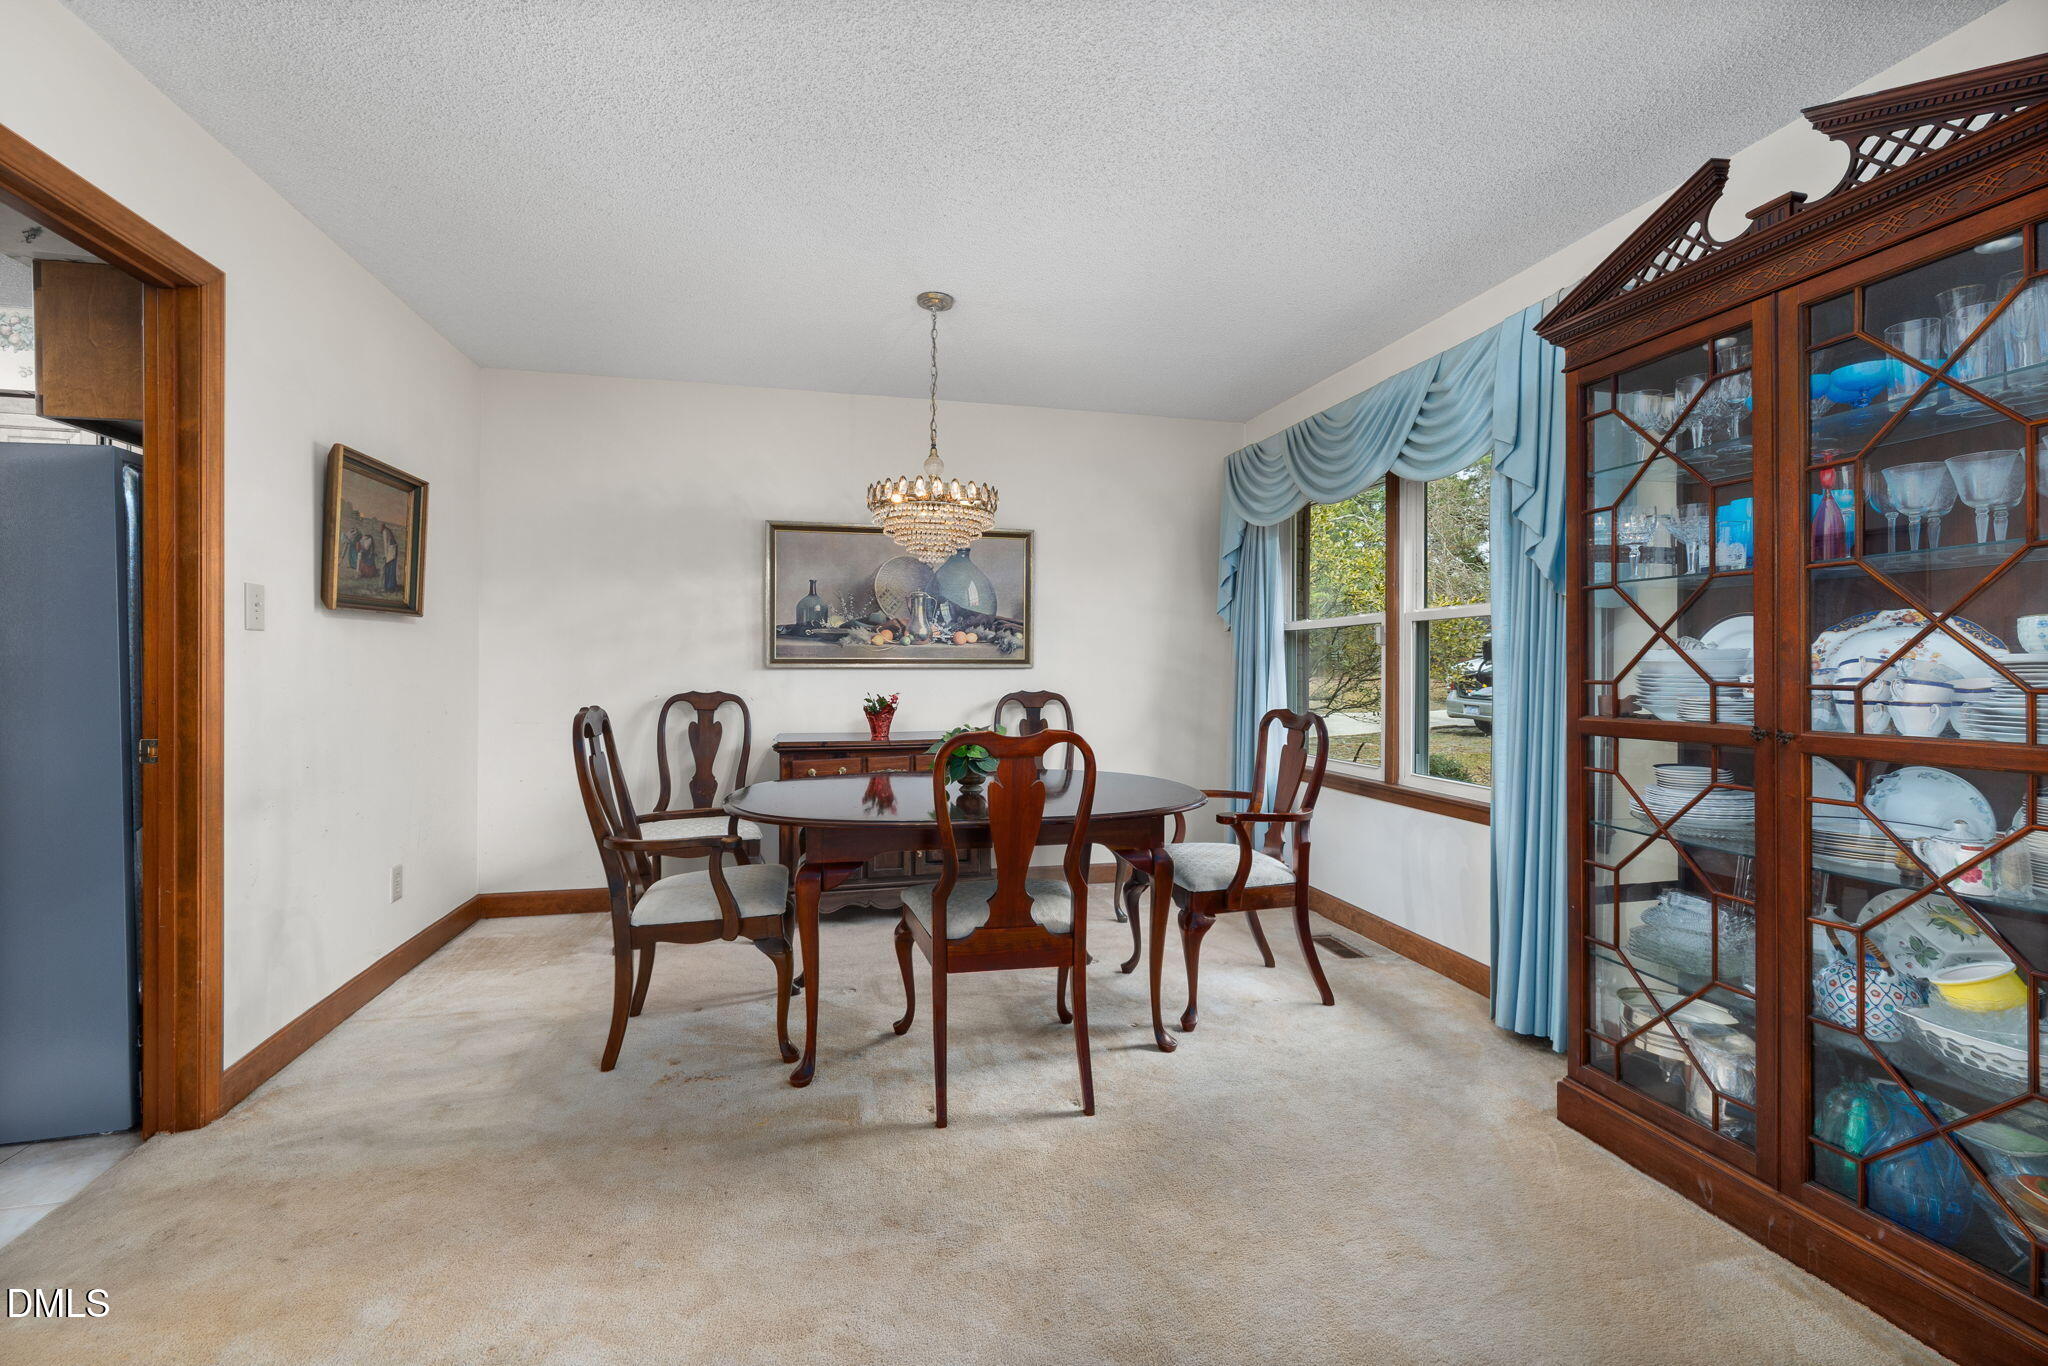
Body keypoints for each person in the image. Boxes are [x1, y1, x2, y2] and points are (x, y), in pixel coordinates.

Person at [382, 525, 401, 593]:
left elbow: (386, 544)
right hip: (392, 551)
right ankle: (390, 586)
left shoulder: (385, 532)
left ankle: (390, 587)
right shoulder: (387, 531)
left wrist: (386, 556)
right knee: (390, 569)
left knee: (389, 570)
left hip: (391, 553)